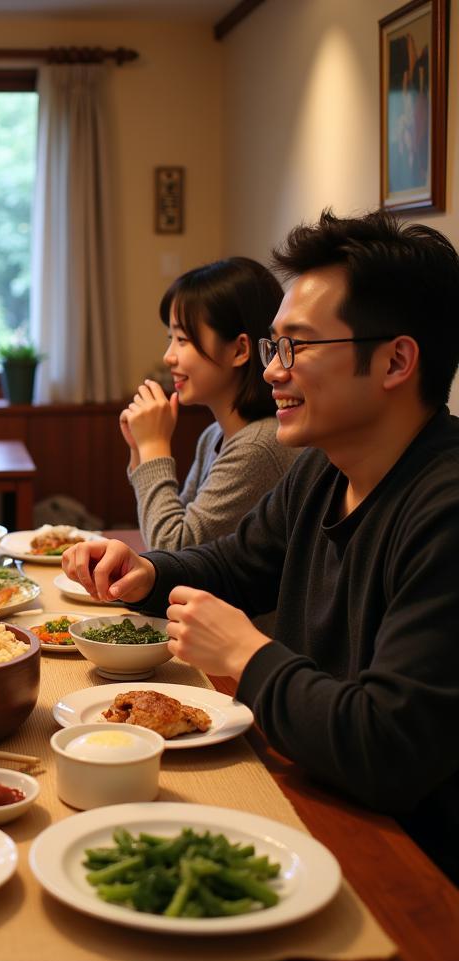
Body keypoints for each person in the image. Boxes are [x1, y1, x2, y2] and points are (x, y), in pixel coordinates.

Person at [64, 210, 459, 882]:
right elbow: (237, 563)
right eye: (272, 346)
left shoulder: (444, 508)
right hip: (316, 786)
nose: (273, 371)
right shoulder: (323, 467)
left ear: (395, 360)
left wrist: (246, 653)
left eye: (295, 347)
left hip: (409, 861)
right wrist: (147, 569)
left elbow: (387, 747)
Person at [121, 257, 298, 550]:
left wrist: (154, 446)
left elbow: (173, 548)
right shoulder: (213, 436)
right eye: (171, 337)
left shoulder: (258, 447)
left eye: (183, 339)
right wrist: (140, 450)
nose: (169, 357)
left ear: (240, 349)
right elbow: (167, 533)